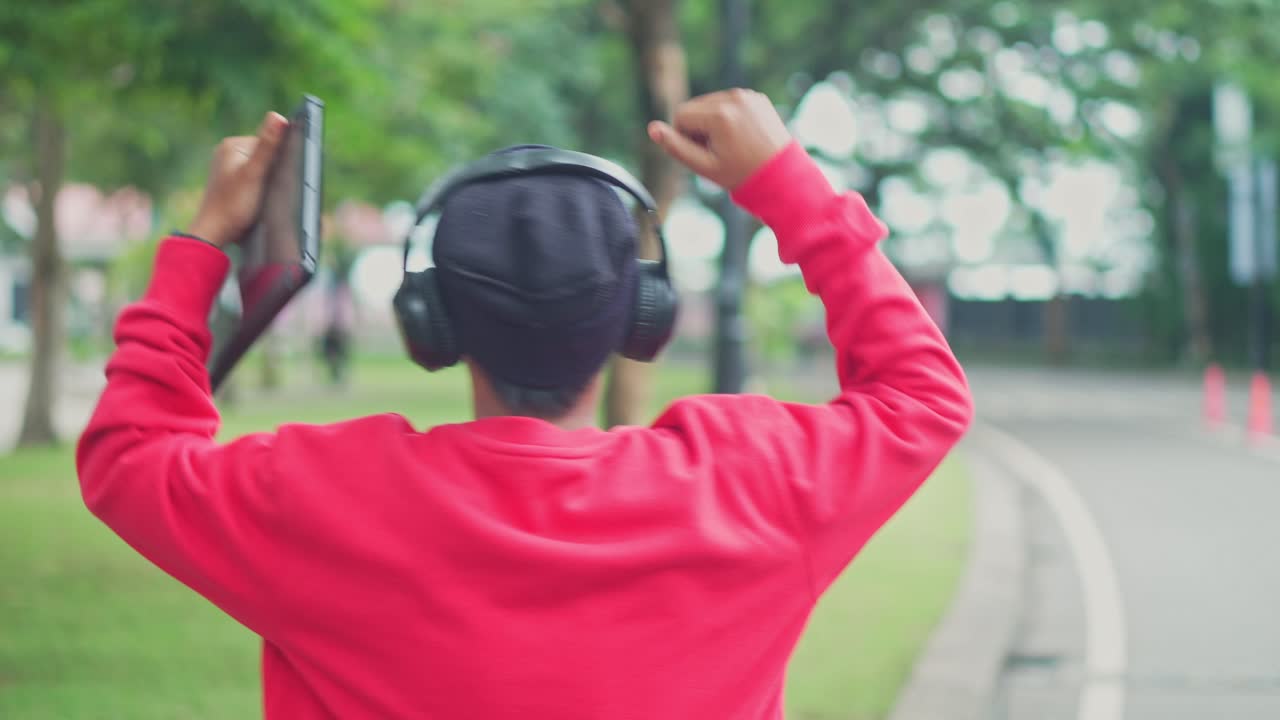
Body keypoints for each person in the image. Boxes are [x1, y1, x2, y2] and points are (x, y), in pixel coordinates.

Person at [77, 89, 973, 719]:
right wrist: (788, 186)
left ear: (429, 322)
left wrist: (202, 243)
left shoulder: (322, 495)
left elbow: (128, 457)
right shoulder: (751, 485)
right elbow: (921, 395)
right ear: (640, 315)